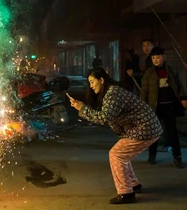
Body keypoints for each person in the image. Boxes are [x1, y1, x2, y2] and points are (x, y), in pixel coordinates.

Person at [67, 67, 162, 204]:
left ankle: (126, 193)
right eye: (89, 83)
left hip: (145, 128)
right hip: (145, 127)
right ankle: (134, 184)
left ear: (101, 80)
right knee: (123, 155)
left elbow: (104, 117)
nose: (91, 86)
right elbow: (106, 114)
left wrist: (82, 109)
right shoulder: (110, 92)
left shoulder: (113, 93)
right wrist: (81, 107)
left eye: (92, 82)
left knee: (116, 154)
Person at [140, 46, 187, 168]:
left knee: (172, 132)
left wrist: (183, 98)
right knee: (153, 132)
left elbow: (179, 85)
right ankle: (152, 153)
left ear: (164, 57)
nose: (156, 60)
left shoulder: (171, 70)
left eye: (158, 57)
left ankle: (177, 157)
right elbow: (144, 90)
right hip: (154, 107)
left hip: (169, 105)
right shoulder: (149, 73)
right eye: (153, 58)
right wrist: (142, 105)